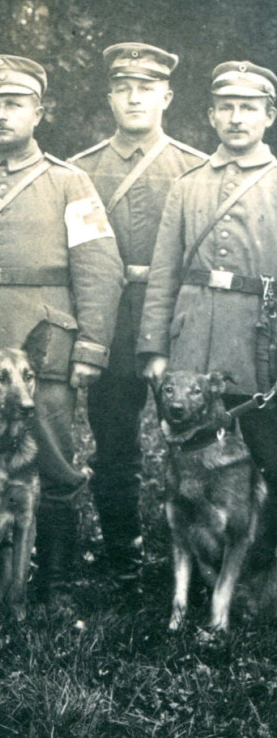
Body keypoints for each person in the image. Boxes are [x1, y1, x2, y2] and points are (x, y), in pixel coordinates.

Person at [0, 55, 124, 601]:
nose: (1, 115)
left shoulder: (69, 181)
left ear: (39, 110)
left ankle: (53, 584)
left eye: (14, 104)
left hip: (43, 355)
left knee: (53, 466)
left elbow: (101, 269)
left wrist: (92, 347)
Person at [70, 44, 206, 589]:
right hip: (111, 323)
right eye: (123, 87)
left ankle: (198, 556)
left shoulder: (194, 168)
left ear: (166, 96)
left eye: (145, 88)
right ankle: (122, 556)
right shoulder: (81, 170)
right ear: (109, 97)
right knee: (114, 445)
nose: (134, 97)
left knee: (197, 442)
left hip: (178, 322)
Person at [140, 60, 277, 555]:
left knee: (265, 457)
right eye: (227, 108)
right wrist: (154, 349)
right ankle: (199, 564)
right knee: (191, 460)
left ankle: (259, 571)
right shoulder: (188, 185)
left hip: (258, 343)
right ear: (211, 116)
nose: (237, 118)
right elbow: (163, 274)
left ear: (269, 116)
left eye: (249, 108)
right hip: (191, 340)